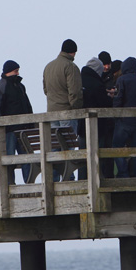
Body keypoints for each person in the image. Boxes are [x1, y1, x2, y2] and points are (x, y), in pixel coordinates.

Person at [43, 38, 83, 179]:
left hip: (52, 113)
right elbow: (75, 92)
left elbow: (45, 90)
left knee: (54, 148)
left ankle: (53, 179)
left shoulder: (48, 67)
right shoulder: (70, 67)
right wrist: (75, 108)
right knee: (68, 147)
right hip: (67, 112)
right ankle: (68, 178)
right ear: (73, 52)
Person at [0, 60, 34, 183]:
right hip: (8, 131)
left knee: (26, 158)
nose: (18, 73)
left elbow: (27, 105)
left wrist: (30, 123)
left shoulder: (20, 86)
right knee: (8, 159)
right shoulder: (0, 88)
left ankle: (29, 183)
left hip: (23, 129)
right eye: (16, 71)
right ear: (9, 72)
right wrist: (1, 129)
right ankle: (9, 185)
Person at [79, 57, 112, 177]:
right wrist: (110, 98)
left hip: (82, 126)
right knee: (97, 155)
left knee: (83, 156)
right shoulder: (97, 83)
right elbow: (103, 102)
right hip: (98, 127)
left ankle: (83, 181)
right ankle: (97, 179)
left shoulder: (80, 80)